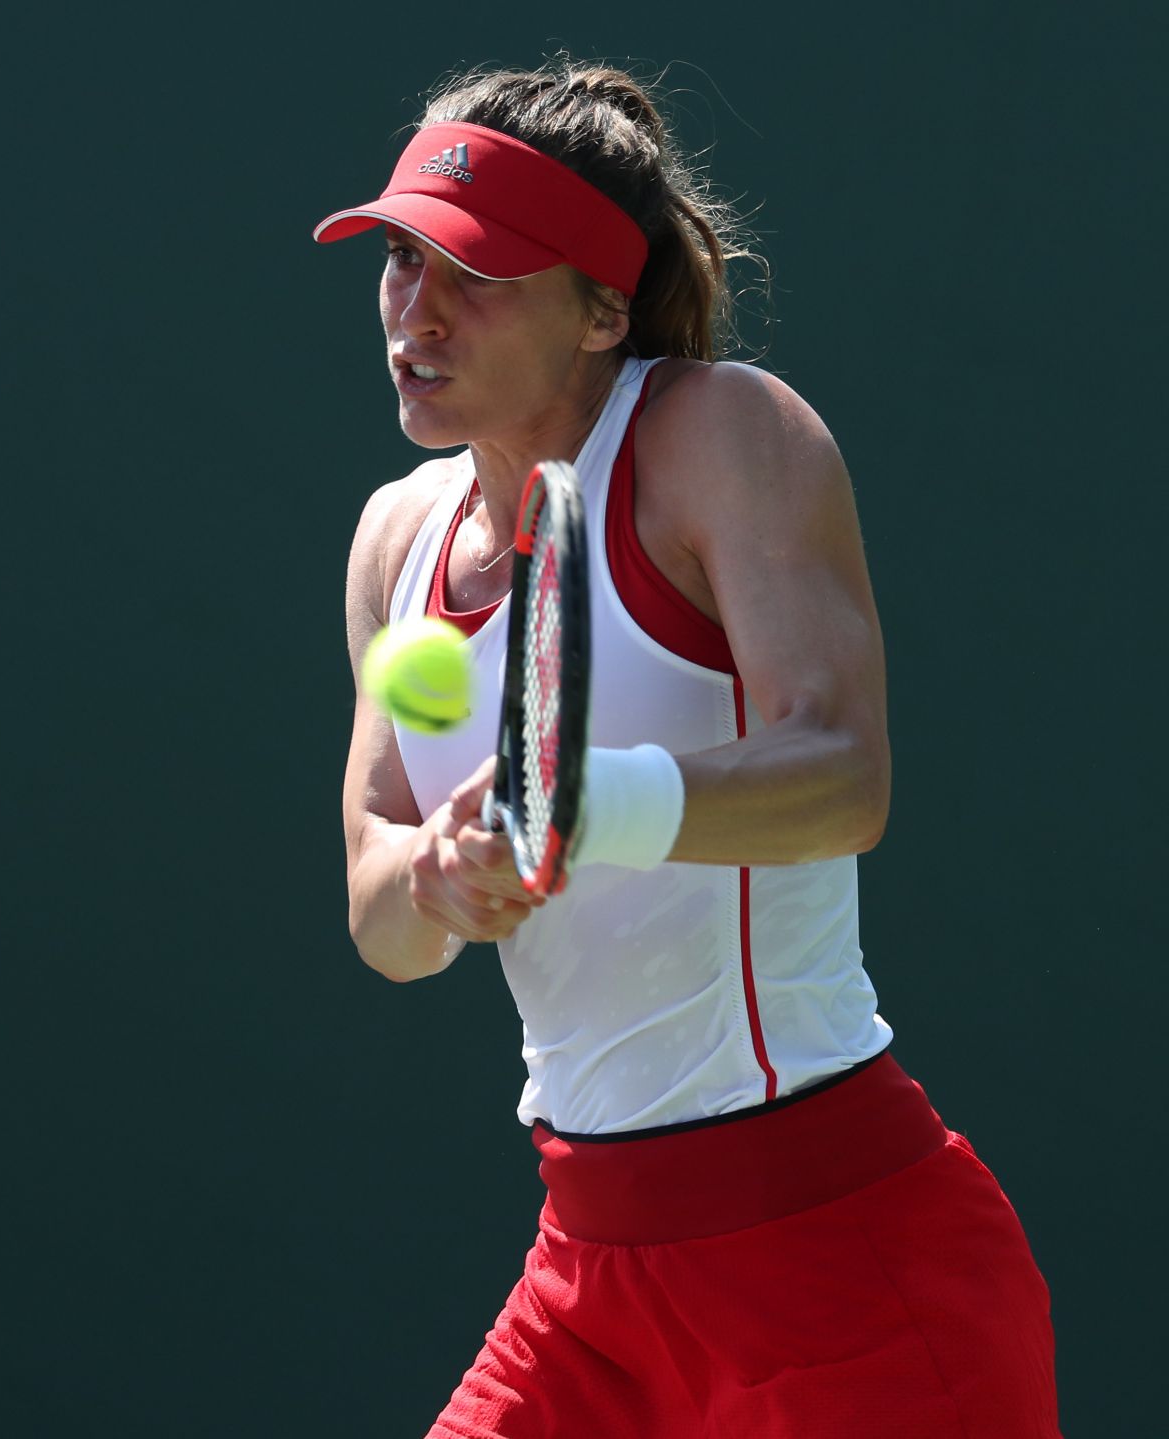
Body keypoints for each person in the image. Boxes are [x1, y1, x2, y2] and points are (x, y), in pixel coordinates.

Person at [316, 59, 1060, 1439]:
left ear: (605, 308)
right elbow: (380, 915)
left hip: (846, 1276)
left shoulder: (722, 434)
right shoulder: (392, 542)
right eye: (400, 265)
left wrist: (579, 807)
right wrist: (438, 882)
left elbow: (842, 773)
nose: (415, 315)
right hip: (588, 1290)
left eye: (473, 275)